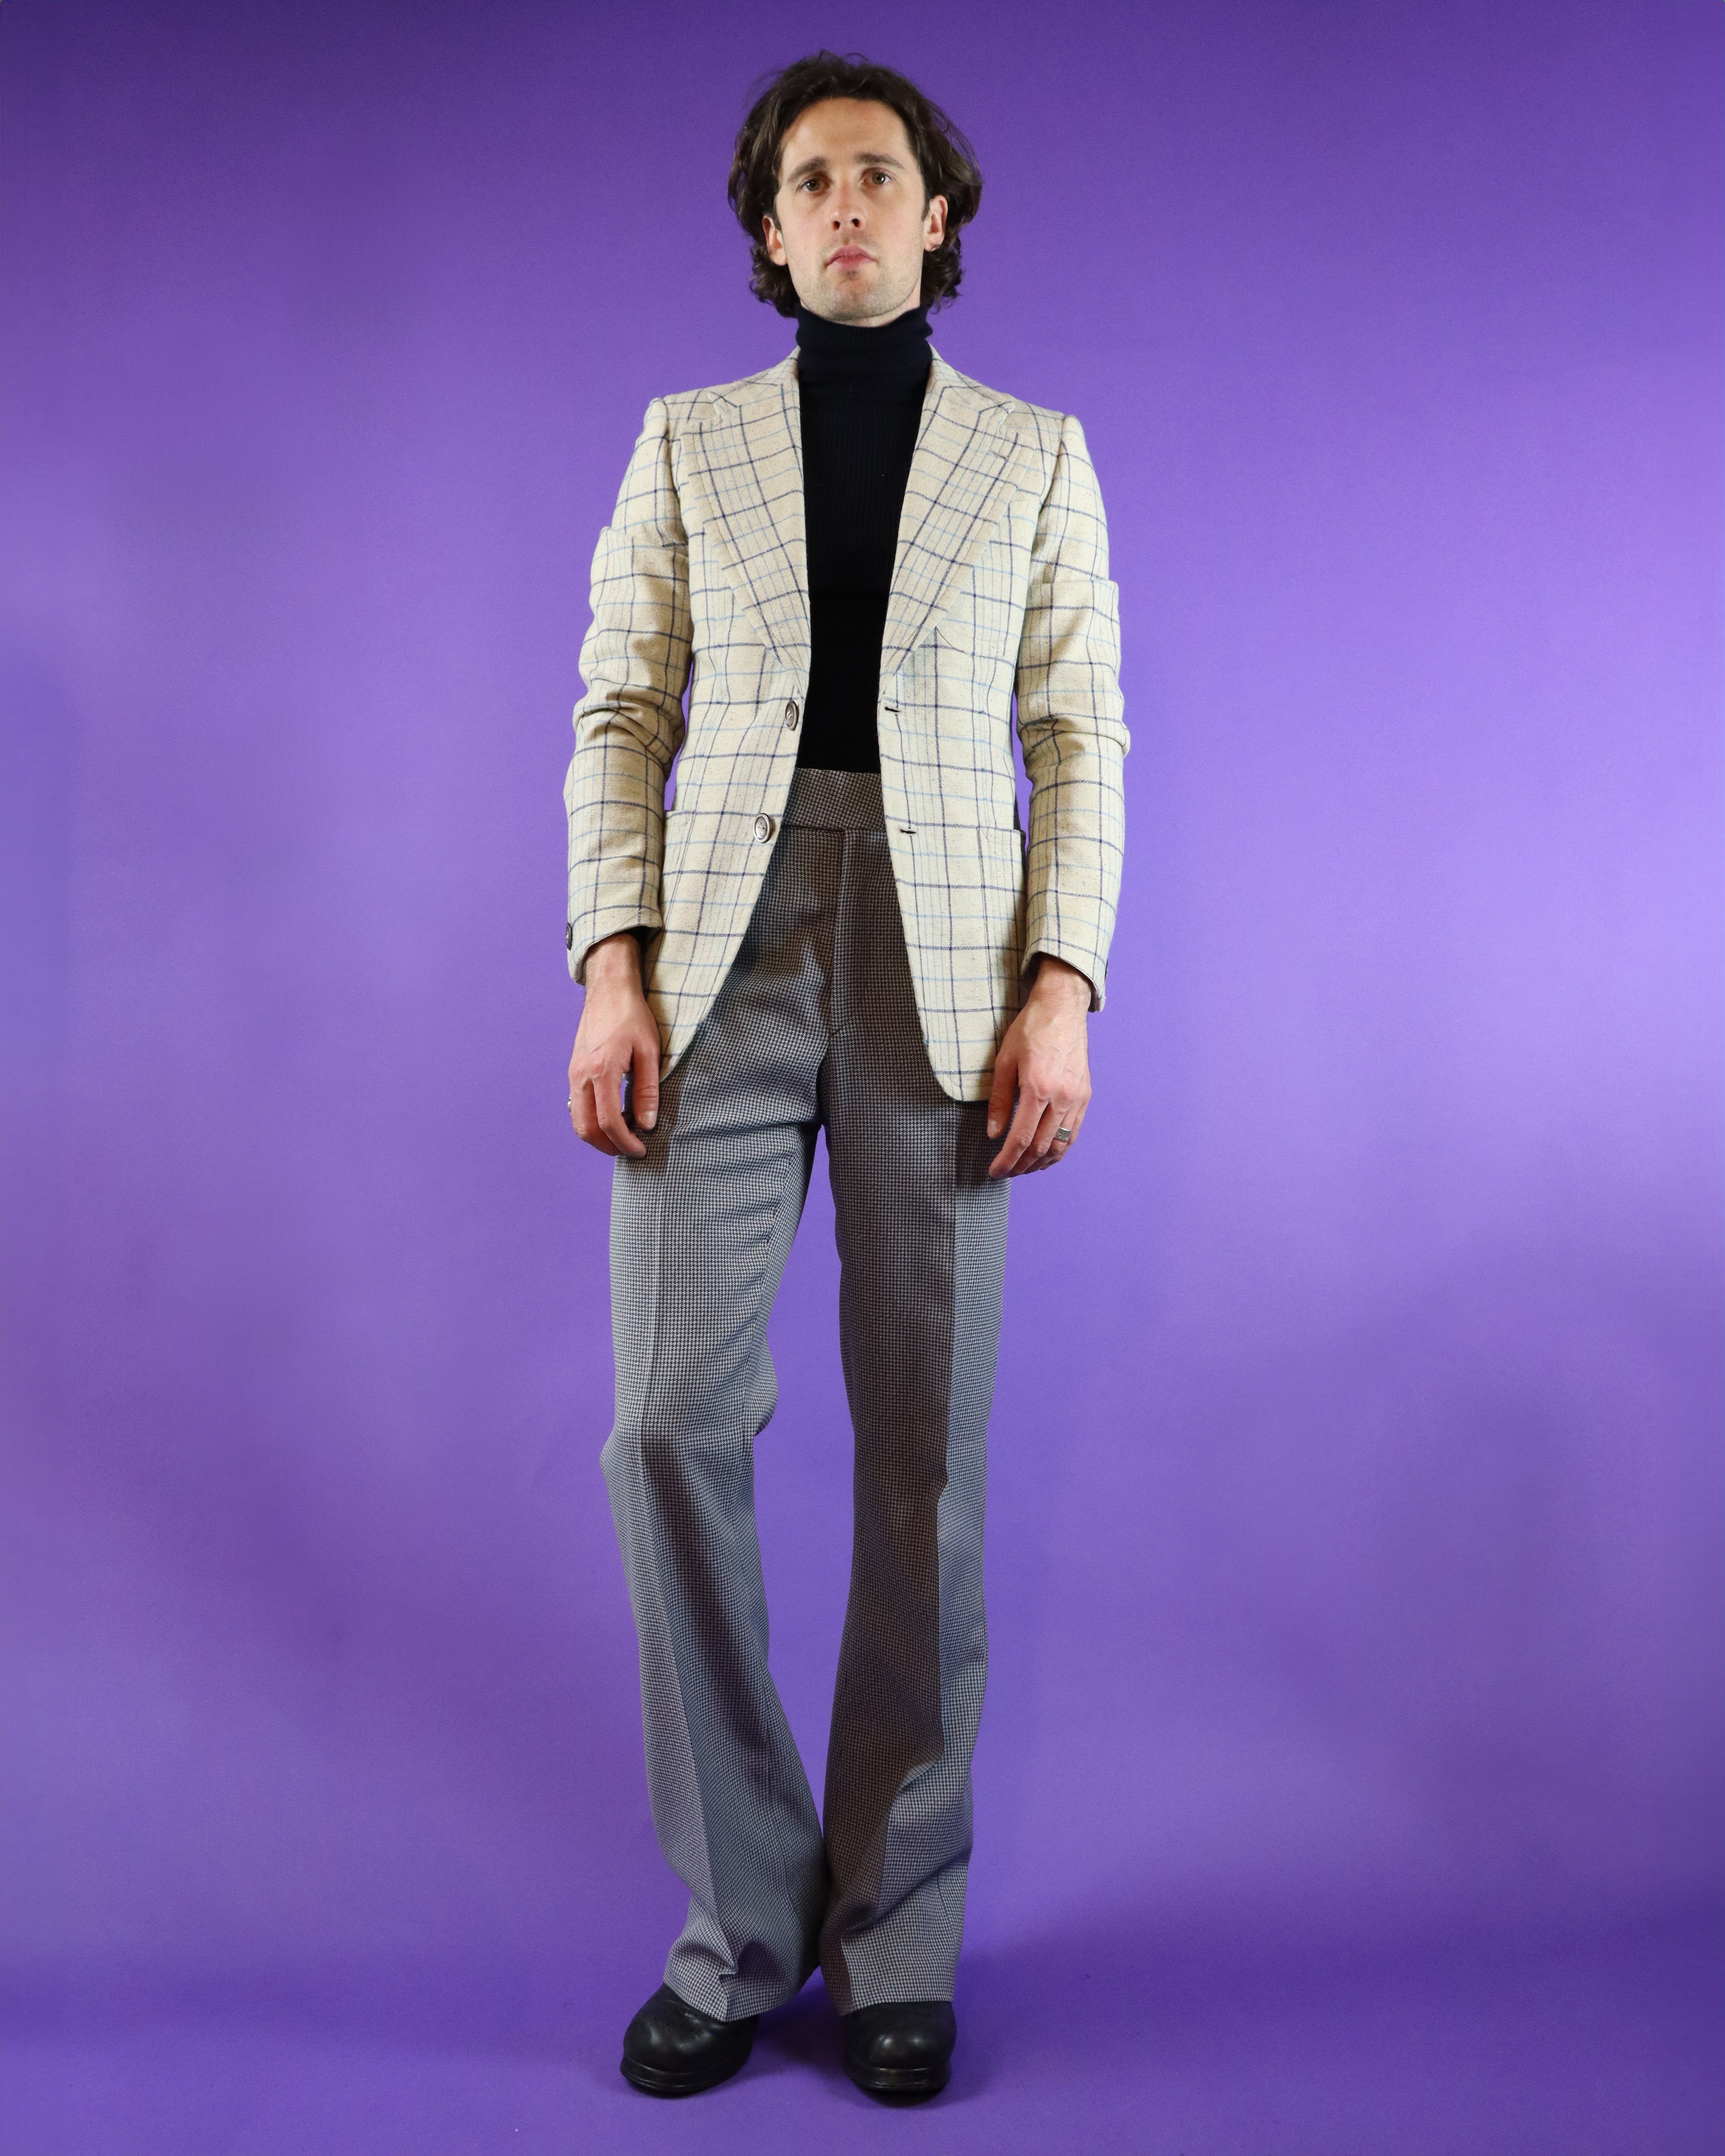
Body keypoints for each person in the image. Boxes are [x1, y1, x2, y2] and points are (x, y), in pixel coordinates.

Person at [563, 50, 1126, 2104]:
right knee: (664, 1426)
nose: (849, 206)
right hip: (718, 956)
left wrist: (1063, 985)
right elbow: (623, 709)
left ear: (937, 216)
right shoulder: (686, 439)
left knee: (926, 1457)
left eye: (881, 175)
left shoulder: (1037, 454)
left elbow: (1079, 734)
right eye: (811, 182)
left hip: (945, 967)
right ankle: (741, 1919)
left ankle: (899, 1928)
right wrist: (611, 968)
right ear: (772, 232)